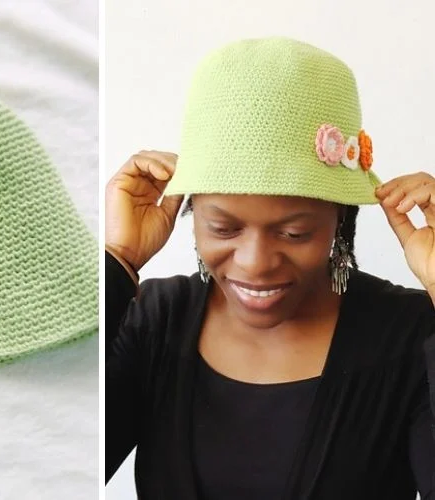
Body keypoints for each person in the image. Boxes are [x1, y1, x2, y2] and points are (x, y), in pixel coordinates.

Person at [105, 38, 435, 499]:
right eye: (223, 228)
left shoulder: (411, 335)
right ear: (191, 211)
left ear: (340, 218)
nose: (255, 263)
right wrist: (118, 260)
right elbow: (57, 449)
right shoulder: (153, 320)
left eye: (294, 233)